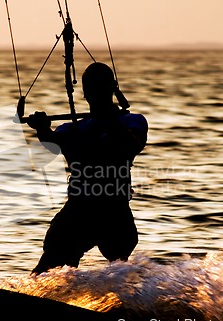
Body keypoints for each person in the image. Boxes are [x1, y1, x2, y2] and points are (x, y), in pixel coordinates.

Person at [27, 62, 148, 275]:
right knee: (50, 266)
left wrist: (109, 118)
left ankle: (132, 302)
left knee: (119, 269)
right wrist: (42, 129)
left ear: (113, 88)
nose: (97, 92)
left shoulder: (132, 122)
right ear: (85, 93)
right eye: (92, 88)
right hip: (79, 211)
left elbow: (133, 145)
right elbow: (52, 144)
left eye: (102, 86)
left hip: (114, 211)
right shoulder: (73, 129)